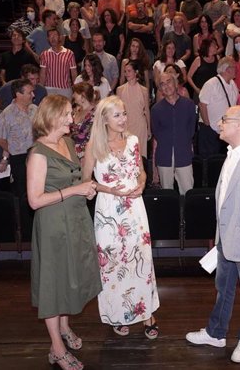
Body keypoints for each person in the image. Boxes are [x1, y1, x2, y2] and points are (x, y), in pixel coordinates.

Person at [186, 105, 240, 364]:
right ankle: (216, 333)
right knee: (222, 289)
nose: (219, 123)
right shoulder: (232, 154)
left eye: (225, 119)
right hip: (227, 239)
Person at [26, 94, 101, 370]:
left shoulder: (67, 142)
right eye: (68, 114)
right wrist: (75, 189)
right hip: (53, 225)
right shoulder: (38, 153)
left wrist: (88, 186)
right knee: (53, 284)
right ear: (55, 117)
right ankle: (57, 348)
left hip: (75, 218)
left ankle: (65, 329)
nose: (73, 118)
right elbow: (34, 200)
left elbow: (77, 177)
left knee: (71, 277)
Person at [82, 96, 160, 340]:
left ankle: (147, 313)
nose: (123, 119)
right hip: (107, 211)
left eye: (124, 114)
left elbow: (140, 171)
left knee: (141, 261)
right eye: (117, 115)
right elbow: (85, 183)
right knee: (113, 264)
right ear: (104, 118)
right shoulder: (93, 144)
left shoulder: (134, 141)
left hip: (134, 209)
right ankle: (117, 314)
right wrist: (110, 190)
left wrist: (143, 182)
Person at [151, 72, 196, 195]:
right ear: (160, 89)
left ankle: (187, 215)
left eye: (168, 81)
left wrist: (182, 142)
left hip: (184, 154)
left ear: (176, 84)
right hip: (164, 156)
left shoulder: (189, 105)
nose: (166, 86)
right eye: (162, 84)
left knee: (187, 191)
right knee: (167, 193)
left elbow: (192, 129)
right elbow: (156, 133)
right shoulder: (156, 109)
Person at [0, 79, 38, 201]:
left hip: (38, 155)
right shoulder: (5, 115)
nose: (33, 95)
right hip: (19, 158)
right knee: (22, 194)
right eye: (30, 93)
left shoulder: (35, 109)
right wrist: (14, 151)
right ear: (18, 94)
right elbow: (1, 140)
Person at [198, 56, 240, 157]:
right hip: (211, 131)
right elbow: (202, 104)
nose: (236, 70)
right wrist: (208, 125)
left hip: (225, 131)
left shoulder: (233, 84)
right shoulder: (211, 84)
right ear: (227, 69)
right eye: (234, 67)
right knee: (209, 163)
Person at [116, 61, 150, 158]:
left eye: (129, 71)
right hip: (126, 126)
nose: (126, 74)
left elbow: (147, 110)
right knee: (126, 156)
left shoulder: (144, 90)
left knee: (140, 156)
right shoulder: (120, 90)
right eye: (125, 71)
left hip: (140, 126)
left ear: (136, 72)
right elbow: (117, 111)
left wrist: (149, 129)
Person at [39, 28, 77, 99]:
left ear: (59, 37)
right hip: (49, 89)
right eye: (50, 36)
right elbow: (42, 74)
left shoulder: (69, 53)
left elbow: (74, 73)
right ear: (48, 39)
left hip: (65, 89)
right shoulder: (44, 54)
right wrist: (40, 89)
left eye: (55, 35)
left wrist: (76, 89)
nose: (53, 38)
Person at [70, 82, 98, 163]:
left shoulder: (96, 113)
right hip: (72, 154)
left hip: (88, 156)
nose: (73, 95)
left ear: (82, 96)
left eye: (75, 93)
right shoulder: (75, 111)